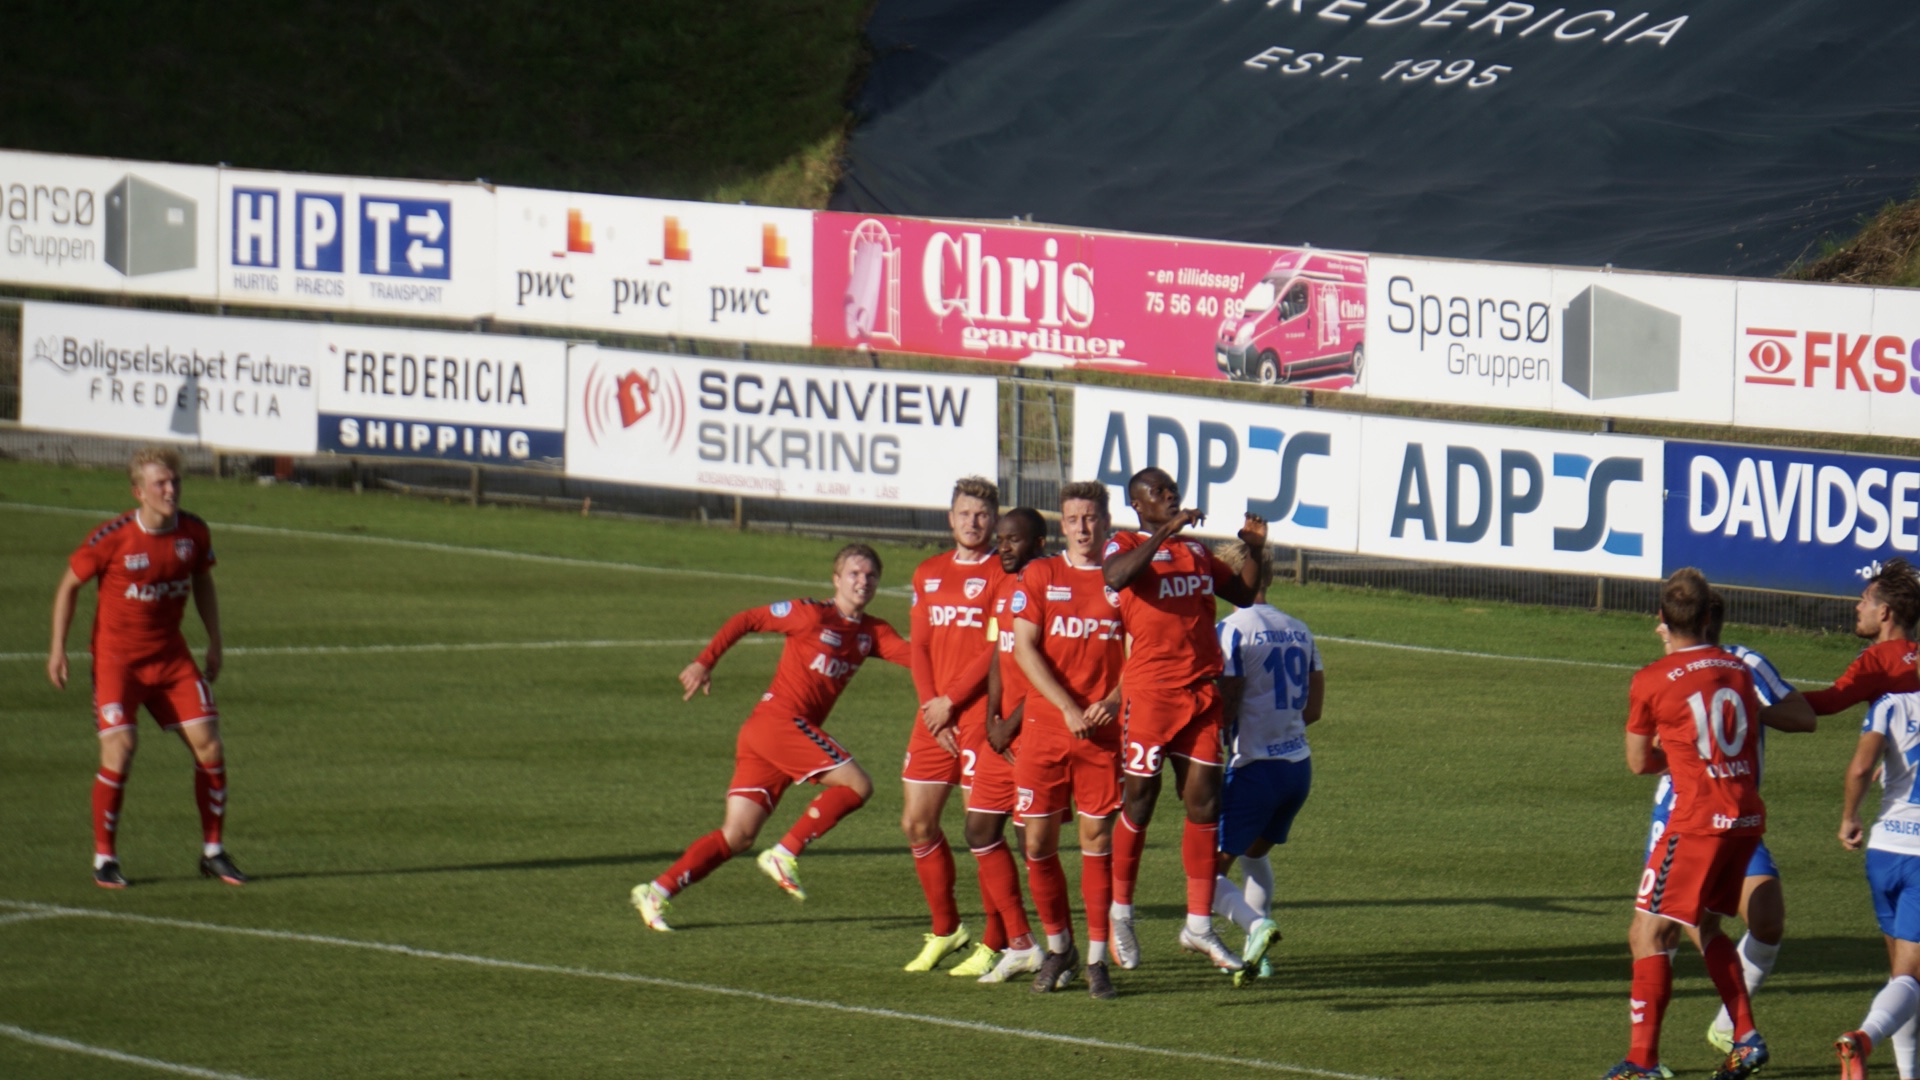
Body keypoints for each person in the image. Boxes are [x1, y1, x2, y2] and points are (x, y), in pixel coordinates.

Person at [630, 543, 909, 931]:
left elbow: (917, 658)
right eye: (854, 573)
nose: (863, 581)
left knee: (738, 835)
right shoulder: (810, 614)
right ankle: (785, 852)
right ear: (836, 579)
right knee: (858, 785)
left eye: (871, 575)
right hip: (779, 723)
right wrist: (705, 661)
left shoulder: (872, 632)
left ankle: (657, 891)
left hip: (771, 736)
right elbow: (747, 618)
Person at [47, 447, 244, 890]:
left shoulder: (194, 532)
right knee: (120, 748)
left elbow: (203, 580)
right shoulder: (112, 538)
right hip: (118, 663)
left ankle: (213, 852)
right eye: (161, 483)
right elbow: (69, 585)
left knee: (210, 745)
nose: (171, 490)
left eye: (175, 481)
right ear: (139, 492)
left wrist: (214, 640)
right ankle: (105, 859)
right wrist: (58, 649)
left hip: (171, 659)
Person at [1605, 569, 1771, 1080]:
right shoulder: (1738, 668)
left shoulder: (1651, 679)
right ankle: (1746, 1037)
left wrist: (1677, 759)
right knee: (1704, 924)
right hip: (1745, 817)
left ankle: (1642, 1063)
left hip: (1696, 821)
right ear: (1706, 617)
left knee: (1647, 933)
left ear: (1661, 618)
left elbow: (1638, 762)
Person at [1101, 466, 1266, 972]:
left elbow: (1241, 595)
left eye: (1172, 491)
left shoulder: (1194, 550)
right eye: (1159, 492)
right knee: (1140, 801)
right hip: (1150, 695)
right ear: (1137, 504)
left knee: (1205, 804)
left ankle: (1198, 925)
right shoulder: (1124, 543)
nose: (1170, 497)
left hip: (1199, 694)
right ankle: (1120, 912)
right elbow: (1115, 578)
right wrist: (1165, 533)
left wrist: (1254, 551)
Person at [1647, 598, 1816, 1058]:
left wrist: (1746, 709)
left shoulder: (1746, 664)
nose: (1660, 630)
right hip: (1680, 816)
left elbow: (1803, 717)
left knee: (1766, 919)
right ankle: (1647, 1057)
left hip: (1735, 818)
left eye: (1665, 622)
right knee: (1661, 932)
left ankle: (1729, 1028)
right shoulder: (1670, 671)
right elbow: (1649, 754)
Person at [1011, 482, 1129, 999]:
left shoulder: (1123, 579)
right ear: (1062, 525)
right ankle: (1060, 947)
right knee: (1037, 843)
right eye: (1074, 519)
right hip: (1044, 730)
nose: (1083, 528)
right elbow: (1024, 648)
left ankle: (1097, 960)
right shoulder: (1041, 575)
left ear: (1106, 522)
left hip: (1101, 735)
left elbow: (1141, 653)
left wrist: (1116, 699)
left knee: (1096, 844)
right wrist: (1066, 707)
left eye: (1092, 518)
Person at [900, 476, 1006, 972]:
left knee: (980, 830)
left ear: (994, 521)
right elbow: (919, 646)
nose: (973, 522)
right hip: (933, 716)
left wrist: (951, 701)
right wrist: (931, 706)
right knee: (916, 823)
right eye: (965, 513)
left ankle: (995, 942)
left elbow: (995, 649)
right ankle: (946, 930)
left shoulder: (1002, 573)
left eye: (982, 515)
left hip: (979, 716)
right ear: (950, 518)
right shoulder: (928, 572)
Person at [1209, 540, 1325, 987]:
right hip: (1296, 767)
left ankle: (1255, 928)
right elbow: (1313, 710)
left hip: (1253, 768)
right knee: (1254, 855)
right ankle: (1260, 957)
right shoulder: (1300, 629)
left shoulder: (1231, 629)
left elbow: (1227, 699)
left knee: (1205, 872)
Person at [956, 508, 1048, 985]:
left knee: (1034, 845)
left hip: (1035, 733)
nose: (1003, 547)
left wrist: (1011, 724)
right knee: (980, 829)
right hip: (1001, 735)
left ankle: (1064, 948)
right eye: (1001, 539)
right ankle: (1021, 944)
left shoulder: (1051, 585)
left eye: (1013, 539)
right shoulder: (1005, 586)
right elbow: (999, 653)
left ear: (1038, 542)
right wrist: (992, 716)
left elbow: (1056, 667)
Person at [1838, 685, 1920, 1080]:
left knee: (1901, 976)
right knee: (1911, 977)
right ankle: (1863, 1039)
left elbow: (1860, 768)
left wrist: (1849, 816)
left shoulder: (1891, 705)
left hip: (1884, 850)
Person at [1807, 558, 1920, 719]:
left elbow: (1831, 701)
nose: (1858, 607)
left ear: (1883, 612)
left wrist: (1779, 698)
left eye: (1864, 601)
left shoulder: (1877, 658)